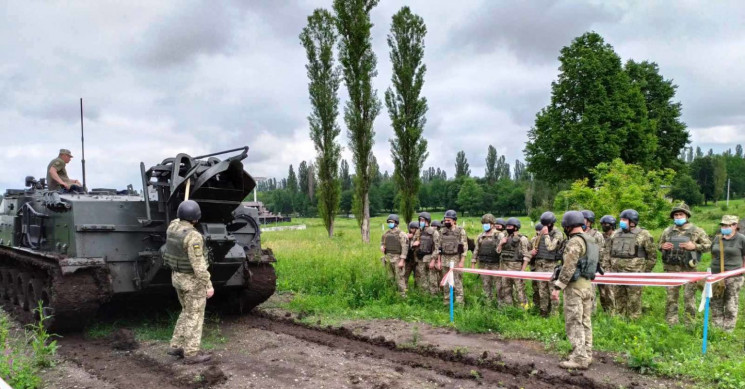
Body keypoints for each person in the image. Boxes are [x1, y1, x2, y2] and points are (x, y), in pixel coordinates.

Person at [165, 200, 214, 364]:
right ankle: (192, 353)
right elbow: (198, 266)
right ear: (196, 218)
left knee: (186, 311)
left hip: (177, 278)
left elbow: (176, 220)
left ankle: (176, 345)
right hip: (192, 282)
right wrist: (208, 285)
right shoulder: (194, 237)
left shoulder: (172, 227)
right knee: (195, 315)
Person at [551, 211, 599, 370]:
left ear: (568, 225)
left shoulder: (574, 242)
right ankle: (586, 353)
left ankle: (579, 358)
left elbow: (569, 267)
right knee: (585, 321)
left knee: (574, 321)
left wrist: (558, 287)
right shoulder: (590, 239)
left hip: (575, 288)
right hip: (587, 286)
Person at [658, 203, 711, 325]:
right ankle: (671, 323)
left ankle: (690, 323)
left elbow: (709, 246)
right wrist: (663, 246)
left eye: (680, 214)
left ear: (687, 215)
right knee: (671, 298)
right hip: (671, 270)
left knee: (689, 298)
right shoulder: (667, 231)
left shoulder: (697, 231)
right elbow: (659, 246)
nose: (678, 217)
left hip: (689, 270)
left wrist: (695, 246)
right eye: (675, 215)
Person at [607, 209, 655, 320]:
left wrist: (645, 273)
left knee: (634, 300)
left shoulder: (644, 234)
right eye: (621, 219)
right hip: (616, 273)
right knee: (618, 298)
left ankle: (634, 322)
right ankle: (620, 320)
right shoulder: (615, 234)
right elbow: (608, 252)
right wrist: (608, 268)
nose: (621, 222)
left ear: (632, 221)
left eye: (624, 219)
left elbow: (652, 256)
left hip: (634, 274)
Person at [710, 215, 745, 332]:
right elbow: (713, 253)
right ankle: (716, 328)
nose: (724, 227)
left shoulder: (741, 239)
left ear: (735, 226)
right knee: (715, 303)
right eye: (723, 225)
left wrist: (742, 271)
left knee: (730, 304)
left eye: (727, 225)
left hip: (733, 277)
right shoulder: (717, 239)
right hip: (716, 276)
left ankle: (728, 330)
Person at [531, 211, 565, 316]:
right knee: (542, 291)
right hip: (539, 265)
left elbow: (551, 248)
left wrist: (545, 235)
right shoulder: (541, 232)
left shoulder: (557, 233)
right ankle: (543, 312)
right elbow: (535, 245)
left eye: (548, 224)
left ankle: (555, 314)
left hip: (551, 265)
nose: (545, 226)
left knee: (552, 290)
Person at [497, 218, 531, 307]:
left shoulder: (522, 239)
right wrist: (501, 243)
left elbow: (527, 256)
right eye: (507, 226)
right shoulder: (505, 238)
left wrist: (523, 270)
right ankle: (509, 309)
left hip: (516, 267)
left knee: (520, 290)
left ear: (516, 227)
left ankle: (524, 309)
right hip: (505, 267)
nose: (508, 228)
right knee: (506, 289)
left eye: (510, 226)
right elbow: (498, 251)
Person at [473, 214, 502, 303]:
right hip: (483, 264)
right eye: (484, 223)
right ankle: (488, 303)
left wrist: (502, 266)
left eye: (487, 223)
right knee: (486, 285)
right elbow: (476, 250)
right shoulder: (481, 236)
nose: (485, 225)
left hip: (496, 264)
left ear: (493, 224)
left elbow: (502, 252)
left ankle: (500, 304)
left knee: (499, 286)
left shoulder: (499, 235)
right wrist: (473, 262)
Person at [440, 209, 467, 305]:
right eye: (445, 220)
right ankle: (447, 302)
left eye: (449, 220)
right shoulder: (442, 231)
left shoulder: (460, 231)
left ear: (454, 221)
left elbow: (464, 247)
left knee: (457, 281)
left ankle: (460, 303)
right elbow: (439, 247)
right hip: (444, 259)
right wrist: (438, 261)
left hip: (455, 259)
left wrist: (462, 261)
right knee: (446, 282)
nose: (446, 222)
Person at [581, 210, 605, 313]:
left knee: (590, 293)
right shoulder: (577, 233)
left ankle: (591, 313)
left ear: (589, 221)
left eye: (583, 219)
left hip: (590, 267)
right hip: (579, 267)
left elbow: (601, 251)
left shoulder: (596, 235)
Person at [412, 212, 441, 296]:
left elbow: (437, 248)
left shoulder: (434, 232)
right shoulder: (418, 232)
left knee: (432, 279)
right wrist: (414, 244)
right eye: (420, 220)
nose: (421, 222)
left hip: (429, 258)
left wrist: (433, 260)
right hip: (420, 259)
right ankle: (425, 296)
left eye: (423, 220)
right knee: (422, 278)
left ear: (427, 221)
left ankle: (434, 296)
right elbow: (412, 243)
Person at [380, 214, 409, 298]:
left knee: (400, 278)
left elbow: (405, 247)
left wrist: (402, 260)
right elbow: (382, 242)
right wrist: (382, 246)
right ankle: (392, 293)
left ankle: (403, 295)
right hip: (388, 258)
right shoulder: (386, 234)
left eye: (391, 222)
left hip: (398, 259)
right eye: (388, 222)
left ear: (396, 223)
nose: (390, 224)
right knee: (390, 277)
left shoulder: (401, 234)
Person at [597, 215, 617, 313]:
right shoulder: (600, 236)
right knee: (602, 292)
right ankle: (605, 310)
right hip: (600, 267)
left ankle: (613, 311)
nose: (604, 226)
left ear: (612, 225)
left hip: (612, 267)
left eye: (606, 224)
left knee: (611, 291)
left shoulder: (617, 236)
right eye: (602, 224)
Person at [529, 222, 544, 309]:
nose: (538, 232)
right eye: (537, 230)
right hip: (534, 266)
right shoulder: (533, 240)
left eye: (540, 230)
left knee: (543, 288)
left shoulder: (545, 239)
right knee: (535, 288)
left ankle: (544, 306)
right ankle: (536, 305)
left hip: (542, 266)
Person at [404, 221, 420, 288]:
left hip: (417, 260)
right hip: (409, 260)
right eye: (411, 228)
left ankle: (417, 291)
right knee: (405, 276)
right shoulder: (407, 236)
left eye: (414, 228)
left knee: (417, 277)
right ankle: (405, 289)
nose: (412, 230)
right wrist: (406, 238)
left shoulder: (420, 236)